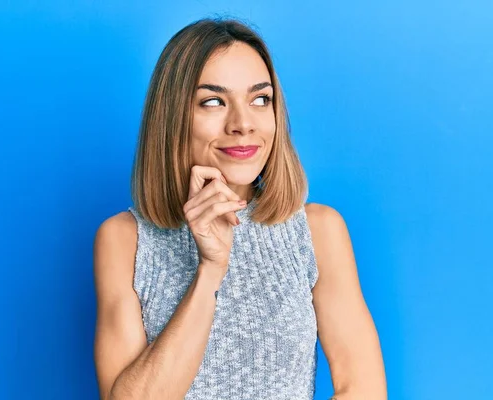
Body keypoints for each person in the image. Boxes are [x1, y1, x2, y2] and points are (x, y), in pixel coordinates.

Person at [93, 17, 387, 400]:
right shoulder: (124, 240)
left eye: (259, 99)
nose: (243, 124)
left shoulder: (318, 231)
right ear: (173, 117)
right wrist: (210, 271)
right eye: (213, 101)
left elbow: (361, 388)